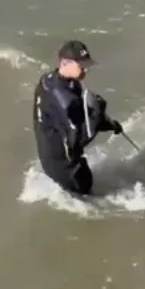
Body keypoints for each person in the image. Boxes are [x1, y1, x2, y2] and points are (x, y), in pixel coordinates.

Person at [32, 40, 124, 196]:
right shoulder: (64, 99)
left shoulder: (50, 80)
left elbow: (76, 114)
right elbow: (77, 142)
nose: (85, 69)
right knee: (89, 196)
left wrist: (109, 124)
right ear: (64, 63)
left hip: (49, 152)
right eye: (81, 65)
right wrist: (97, 114)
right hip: (64, 166)